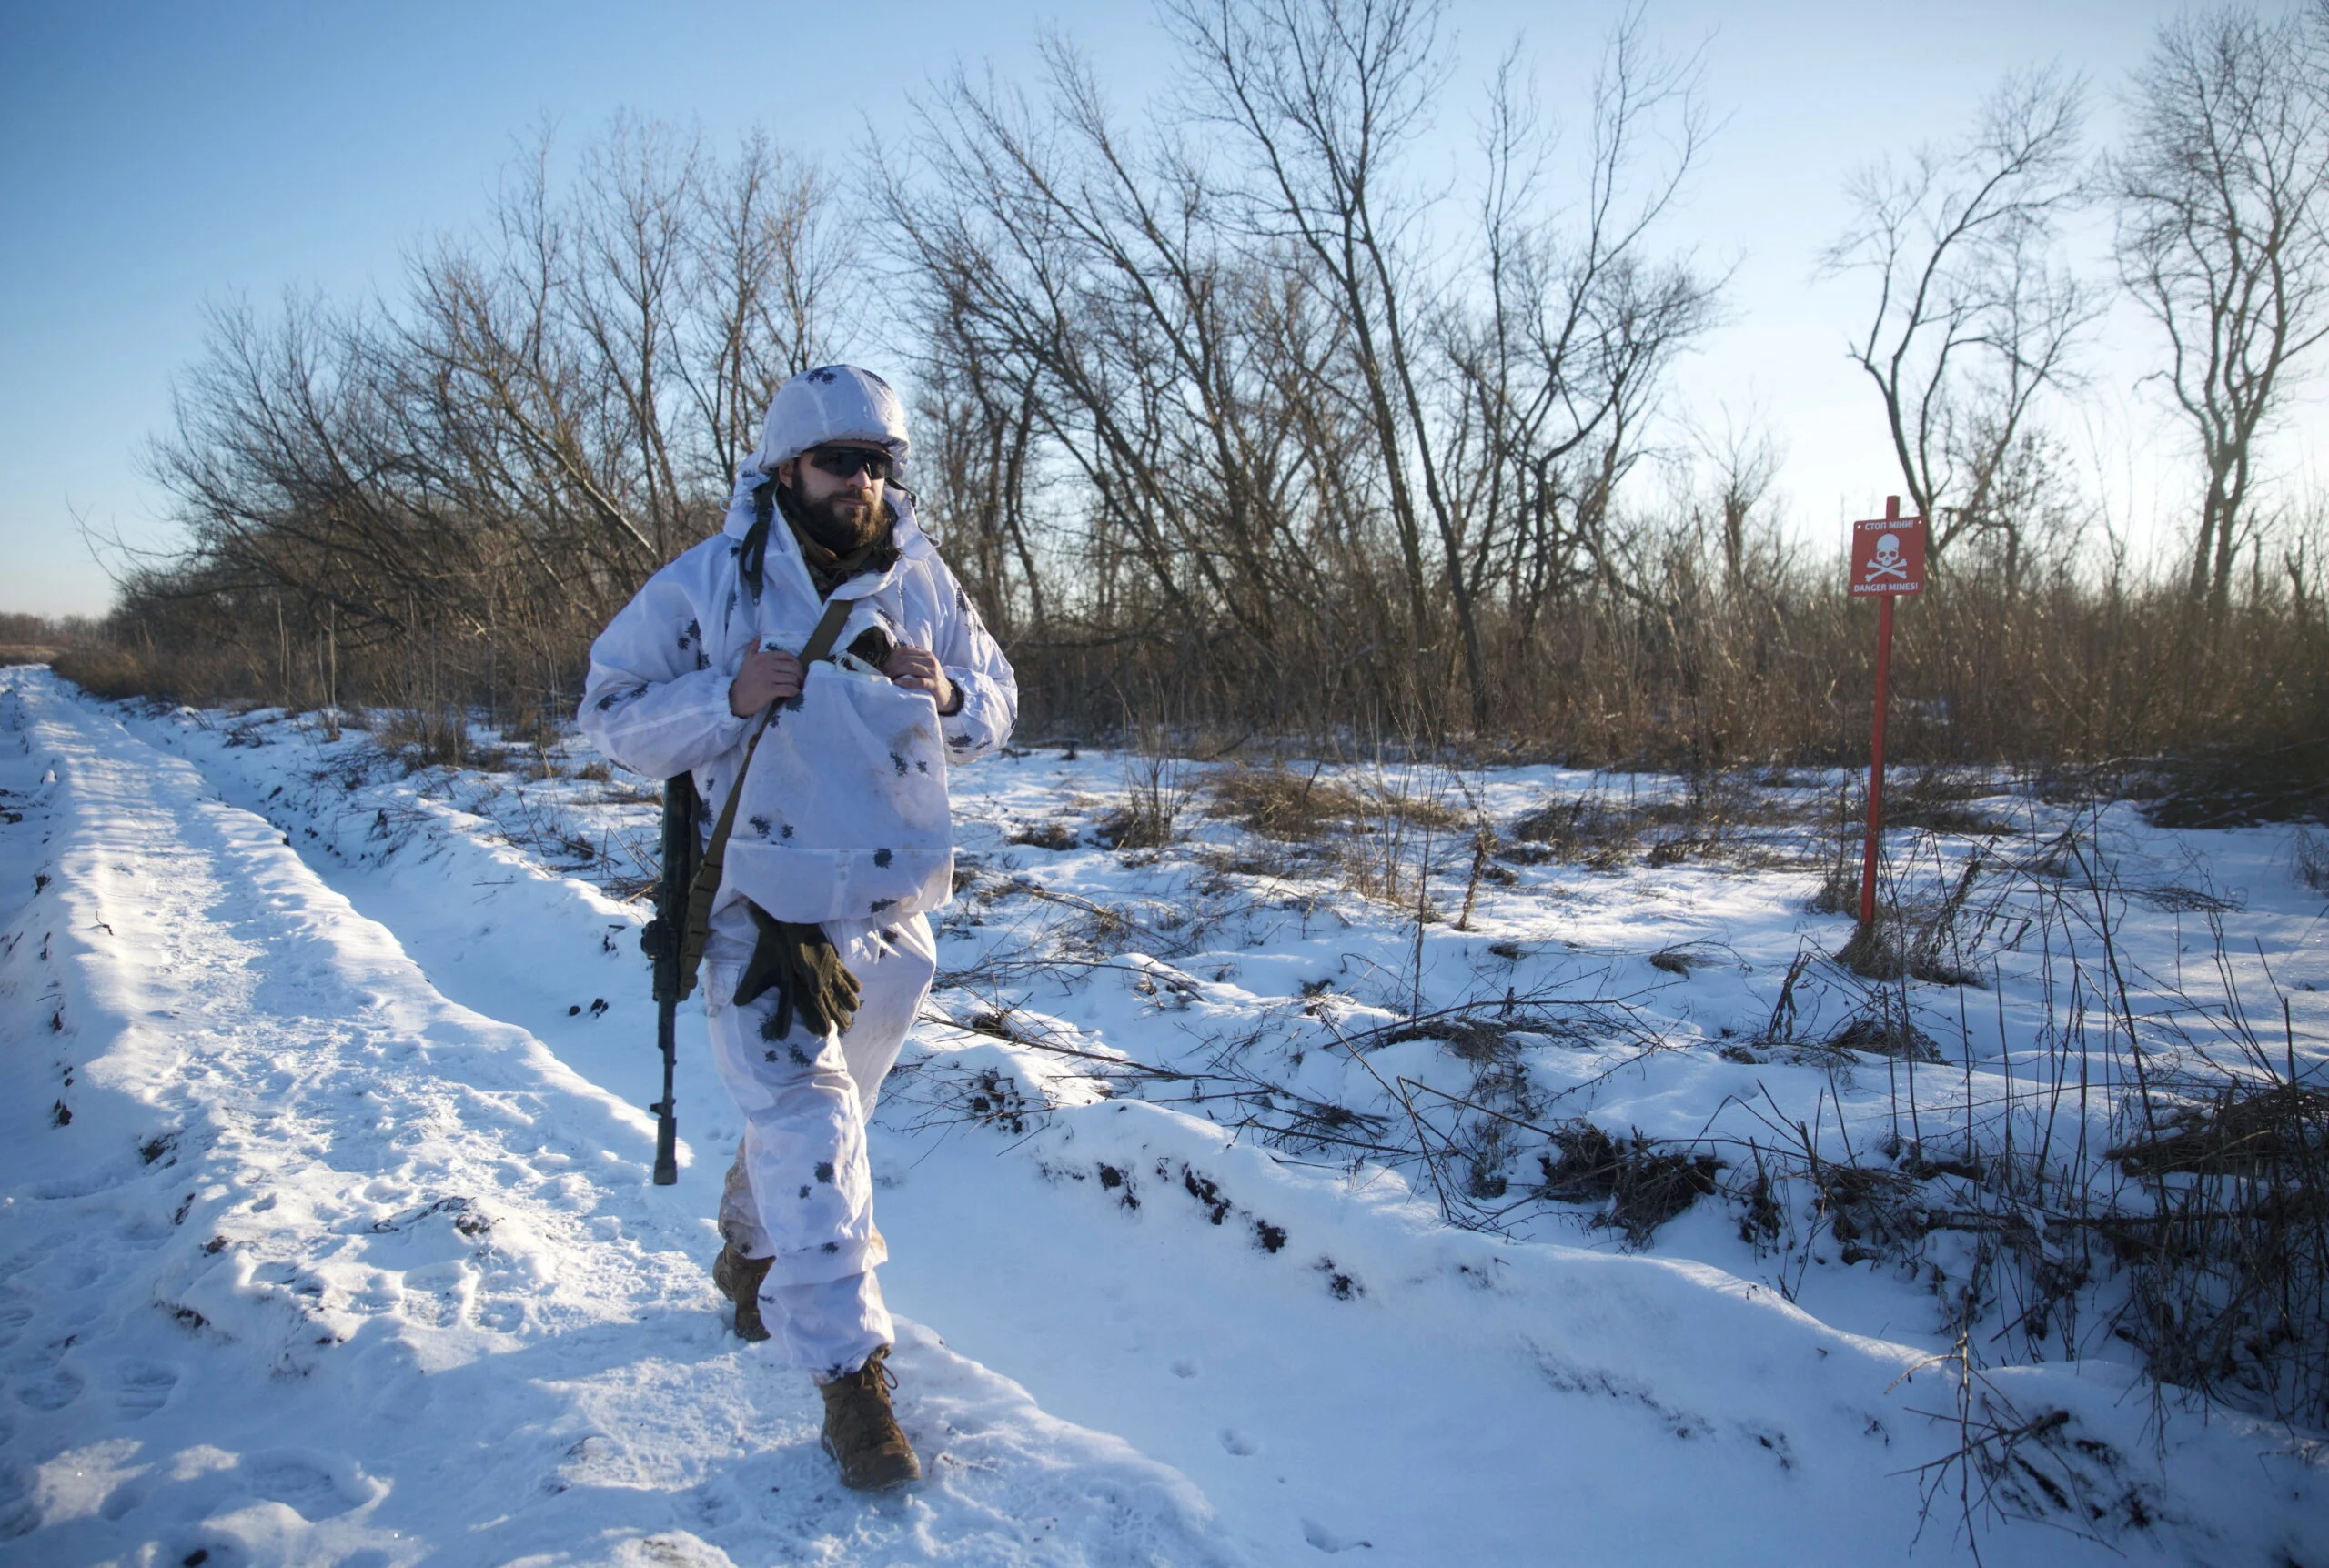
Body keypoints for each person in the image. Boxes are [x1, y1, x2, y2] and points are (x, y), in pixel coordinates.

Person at [579, 365, 1017, 1490]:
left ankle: (752, 1245)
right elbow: (609, 714)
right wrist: (723, 694)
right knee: (816, 1126)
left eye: (877, 463)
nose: (860, 482)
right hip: (761, 909)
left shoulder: (921, 581)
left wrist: (956, 696)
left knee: (829, 1116)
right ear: (784, 469)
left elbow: (1000, 696)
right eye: (838, 461)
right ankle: (852, 1382)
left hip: (888, 907)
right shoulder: (707, 588)